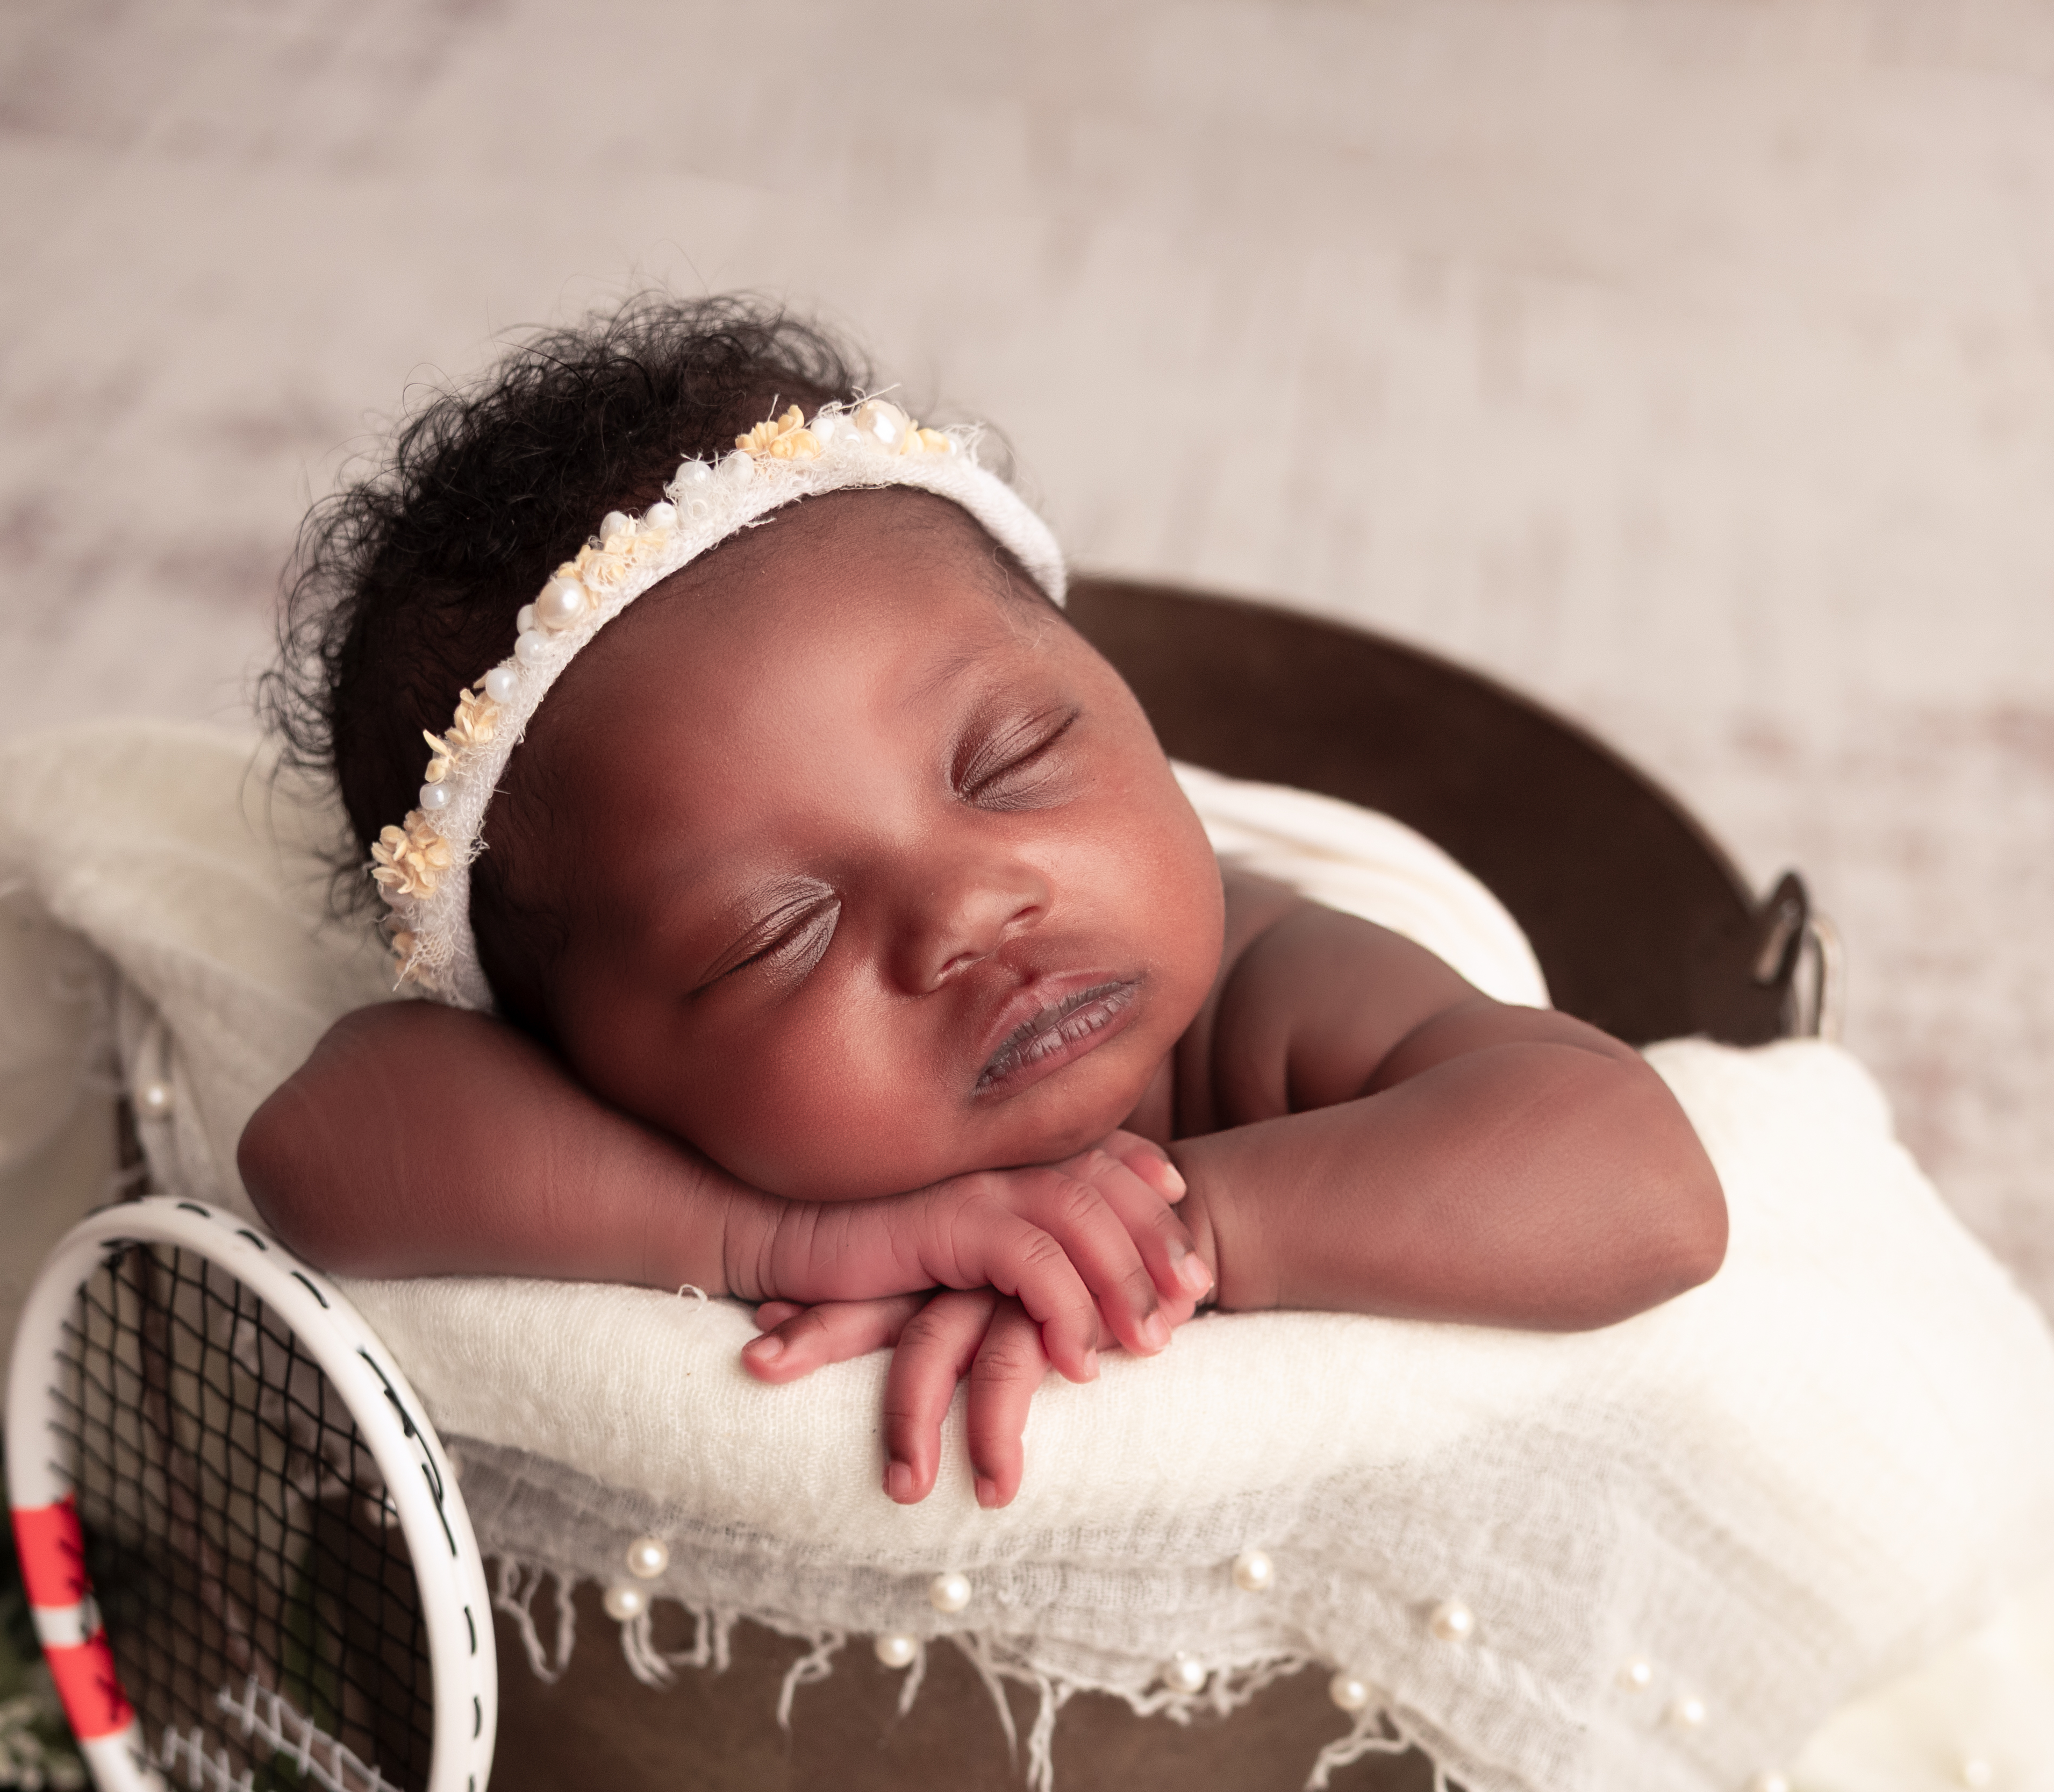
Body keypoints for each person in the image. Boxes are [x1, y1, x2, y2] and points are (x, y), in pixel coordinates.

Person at [240, 298, 1726, 1509]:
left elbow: (1642, 1186)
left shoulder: (1259, 986)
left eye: (1012, 760)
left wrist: (1179, 1233)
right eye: (777, 933)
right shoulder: (623, 1127)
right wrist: (786, 1243)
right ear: (573, 1051)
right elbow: (317, 1143)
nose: (964, 909)